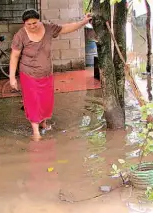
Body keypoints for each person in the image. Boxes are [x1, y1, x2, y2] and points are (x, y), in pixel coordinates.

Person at [9, 9, 92, 140]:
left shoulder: (48, 29)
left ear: (39, 20)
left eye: (34, 23)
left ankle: (43, 123)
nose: (32, 26)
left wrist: (83, 22)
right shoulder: (20, 35)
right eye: (28, 24)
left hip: (46, 73)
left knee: (45, 101)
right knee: (33, 101)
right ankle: (35, 132)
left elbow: (66, 28)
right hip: (29, 73)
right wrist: (12, 77)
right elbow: (14, 56)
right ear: (24, 23)